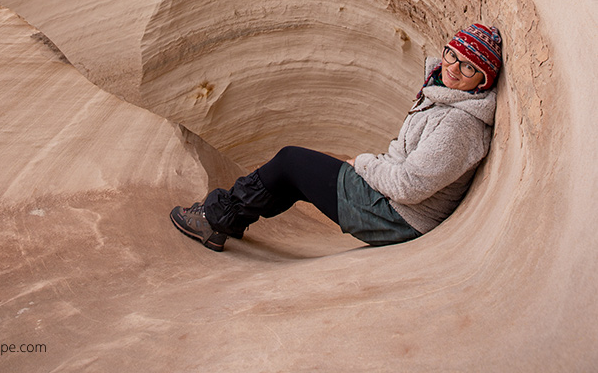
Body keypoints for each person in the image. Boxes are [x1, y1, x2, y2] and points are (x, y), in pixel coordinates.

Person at [170, 23, 502, 251]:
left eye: (469, 67)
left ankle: (215, 219)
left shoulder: (459, 126)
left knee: (291, 161)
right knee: (292, 174)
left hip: (397, 216)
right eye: (452, 54)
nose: (454, 68)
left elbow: (408, 186)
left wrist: (364, 164)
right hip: (390, 203)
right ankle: (227, 220)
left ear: (483, 80)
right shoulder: (442, 94)